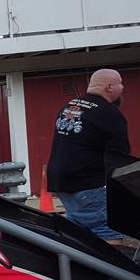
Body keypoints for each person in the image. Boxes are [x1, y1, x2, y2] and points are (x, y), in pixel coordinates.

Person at [46, 68, 130, 243]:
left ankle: (77, 260)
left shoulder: (69, 106)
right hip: (90, 184)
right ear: (109, 87)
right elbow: (119, 158)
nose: (122, 88)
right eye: (120, 83)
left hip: (62, 183)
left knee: (80, 235)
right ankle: (109, 262)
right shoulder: (109, 113)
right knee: (108, 230)